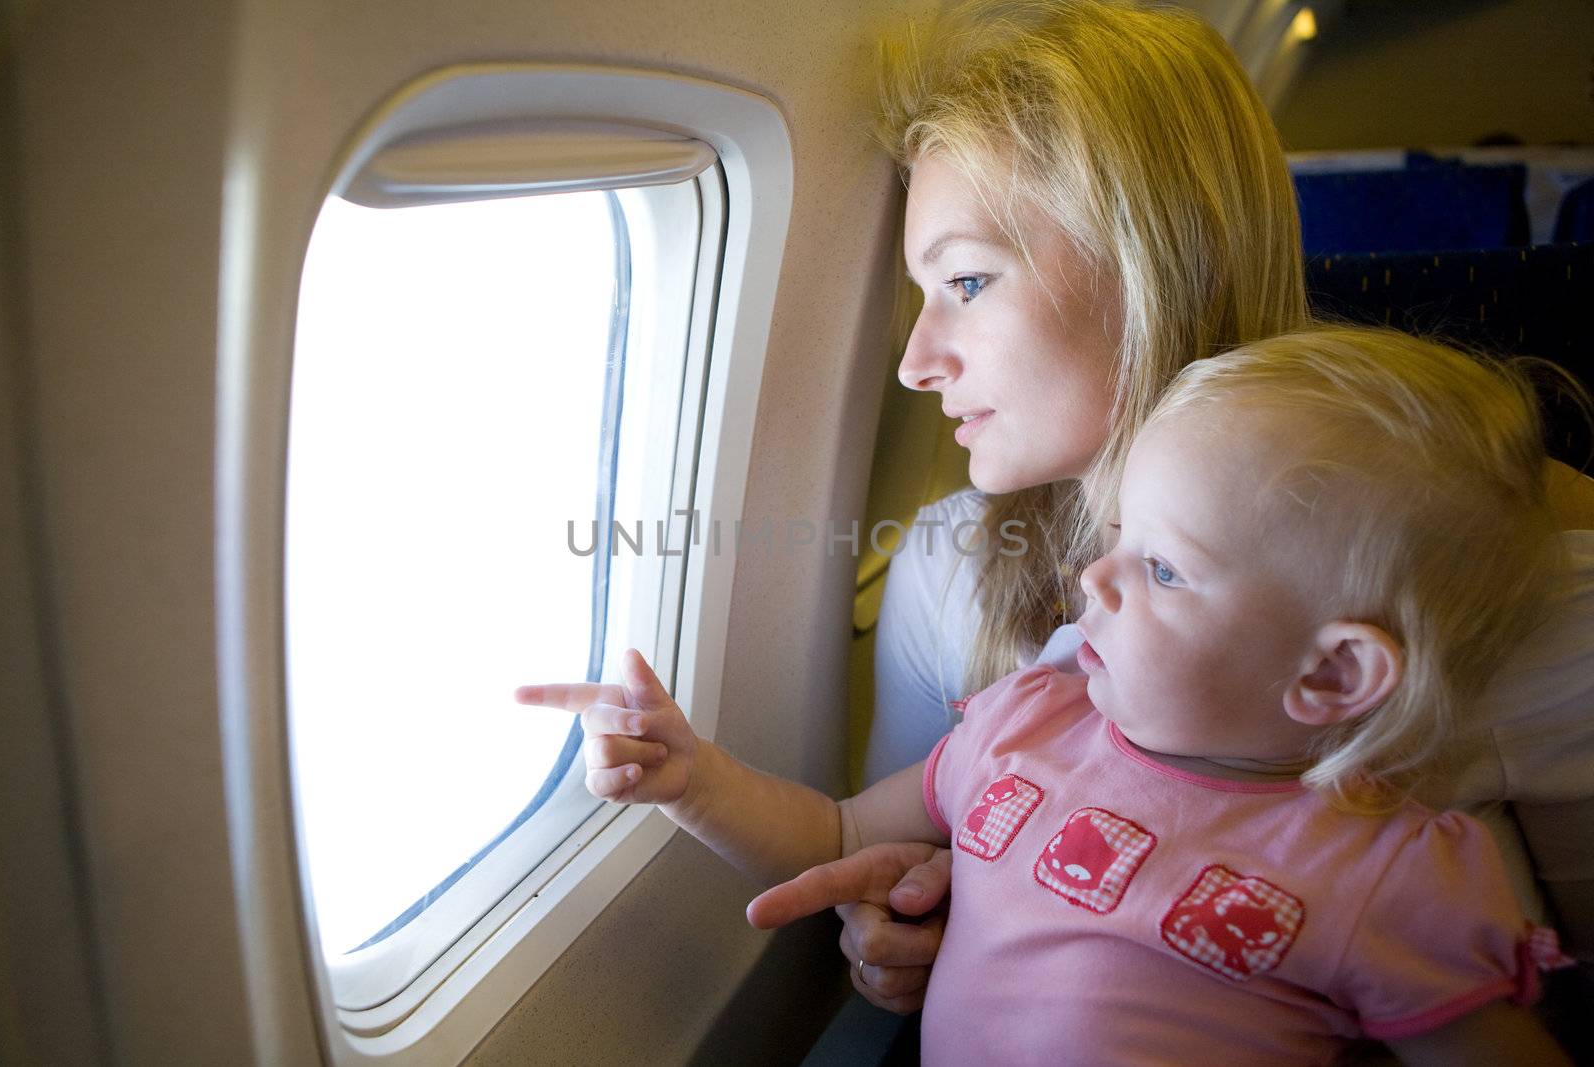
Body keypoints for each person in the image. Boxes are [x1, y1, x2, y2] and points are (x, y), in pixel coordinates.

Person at [518, 327, 1577, 1066]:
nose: (1094, 581)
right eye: (1115, 539)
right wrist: (695, 777)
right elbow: (833, 834)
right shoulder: (1027, 721)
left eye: (1162, 570)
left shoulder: (1387, 871)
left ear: (1332, 673)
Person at [835, 0, 1594, 1019]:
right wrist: (902, 925)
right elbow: (890, 859)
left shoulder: (1495, 567)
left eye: (967, 280)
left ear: (1157, 259)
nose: (917, 363)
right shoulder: (944, 568)